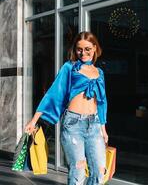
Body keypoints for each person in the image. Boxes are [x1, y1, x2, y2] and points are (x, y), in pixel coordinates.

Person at [25, 31, 108, 185]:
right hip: (73, 124)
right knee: (78, 171)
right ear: (75, 50)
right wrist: (34, 120)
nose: (83, 53)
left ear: (95, 48)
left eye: (87, 49)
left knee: (99, 171)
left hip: (95, 124)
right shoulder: (70, 68)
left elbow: (102, 102)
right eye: (79, 49)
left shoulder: (100, 72)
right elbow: (53, 93)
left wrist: (103, 129)